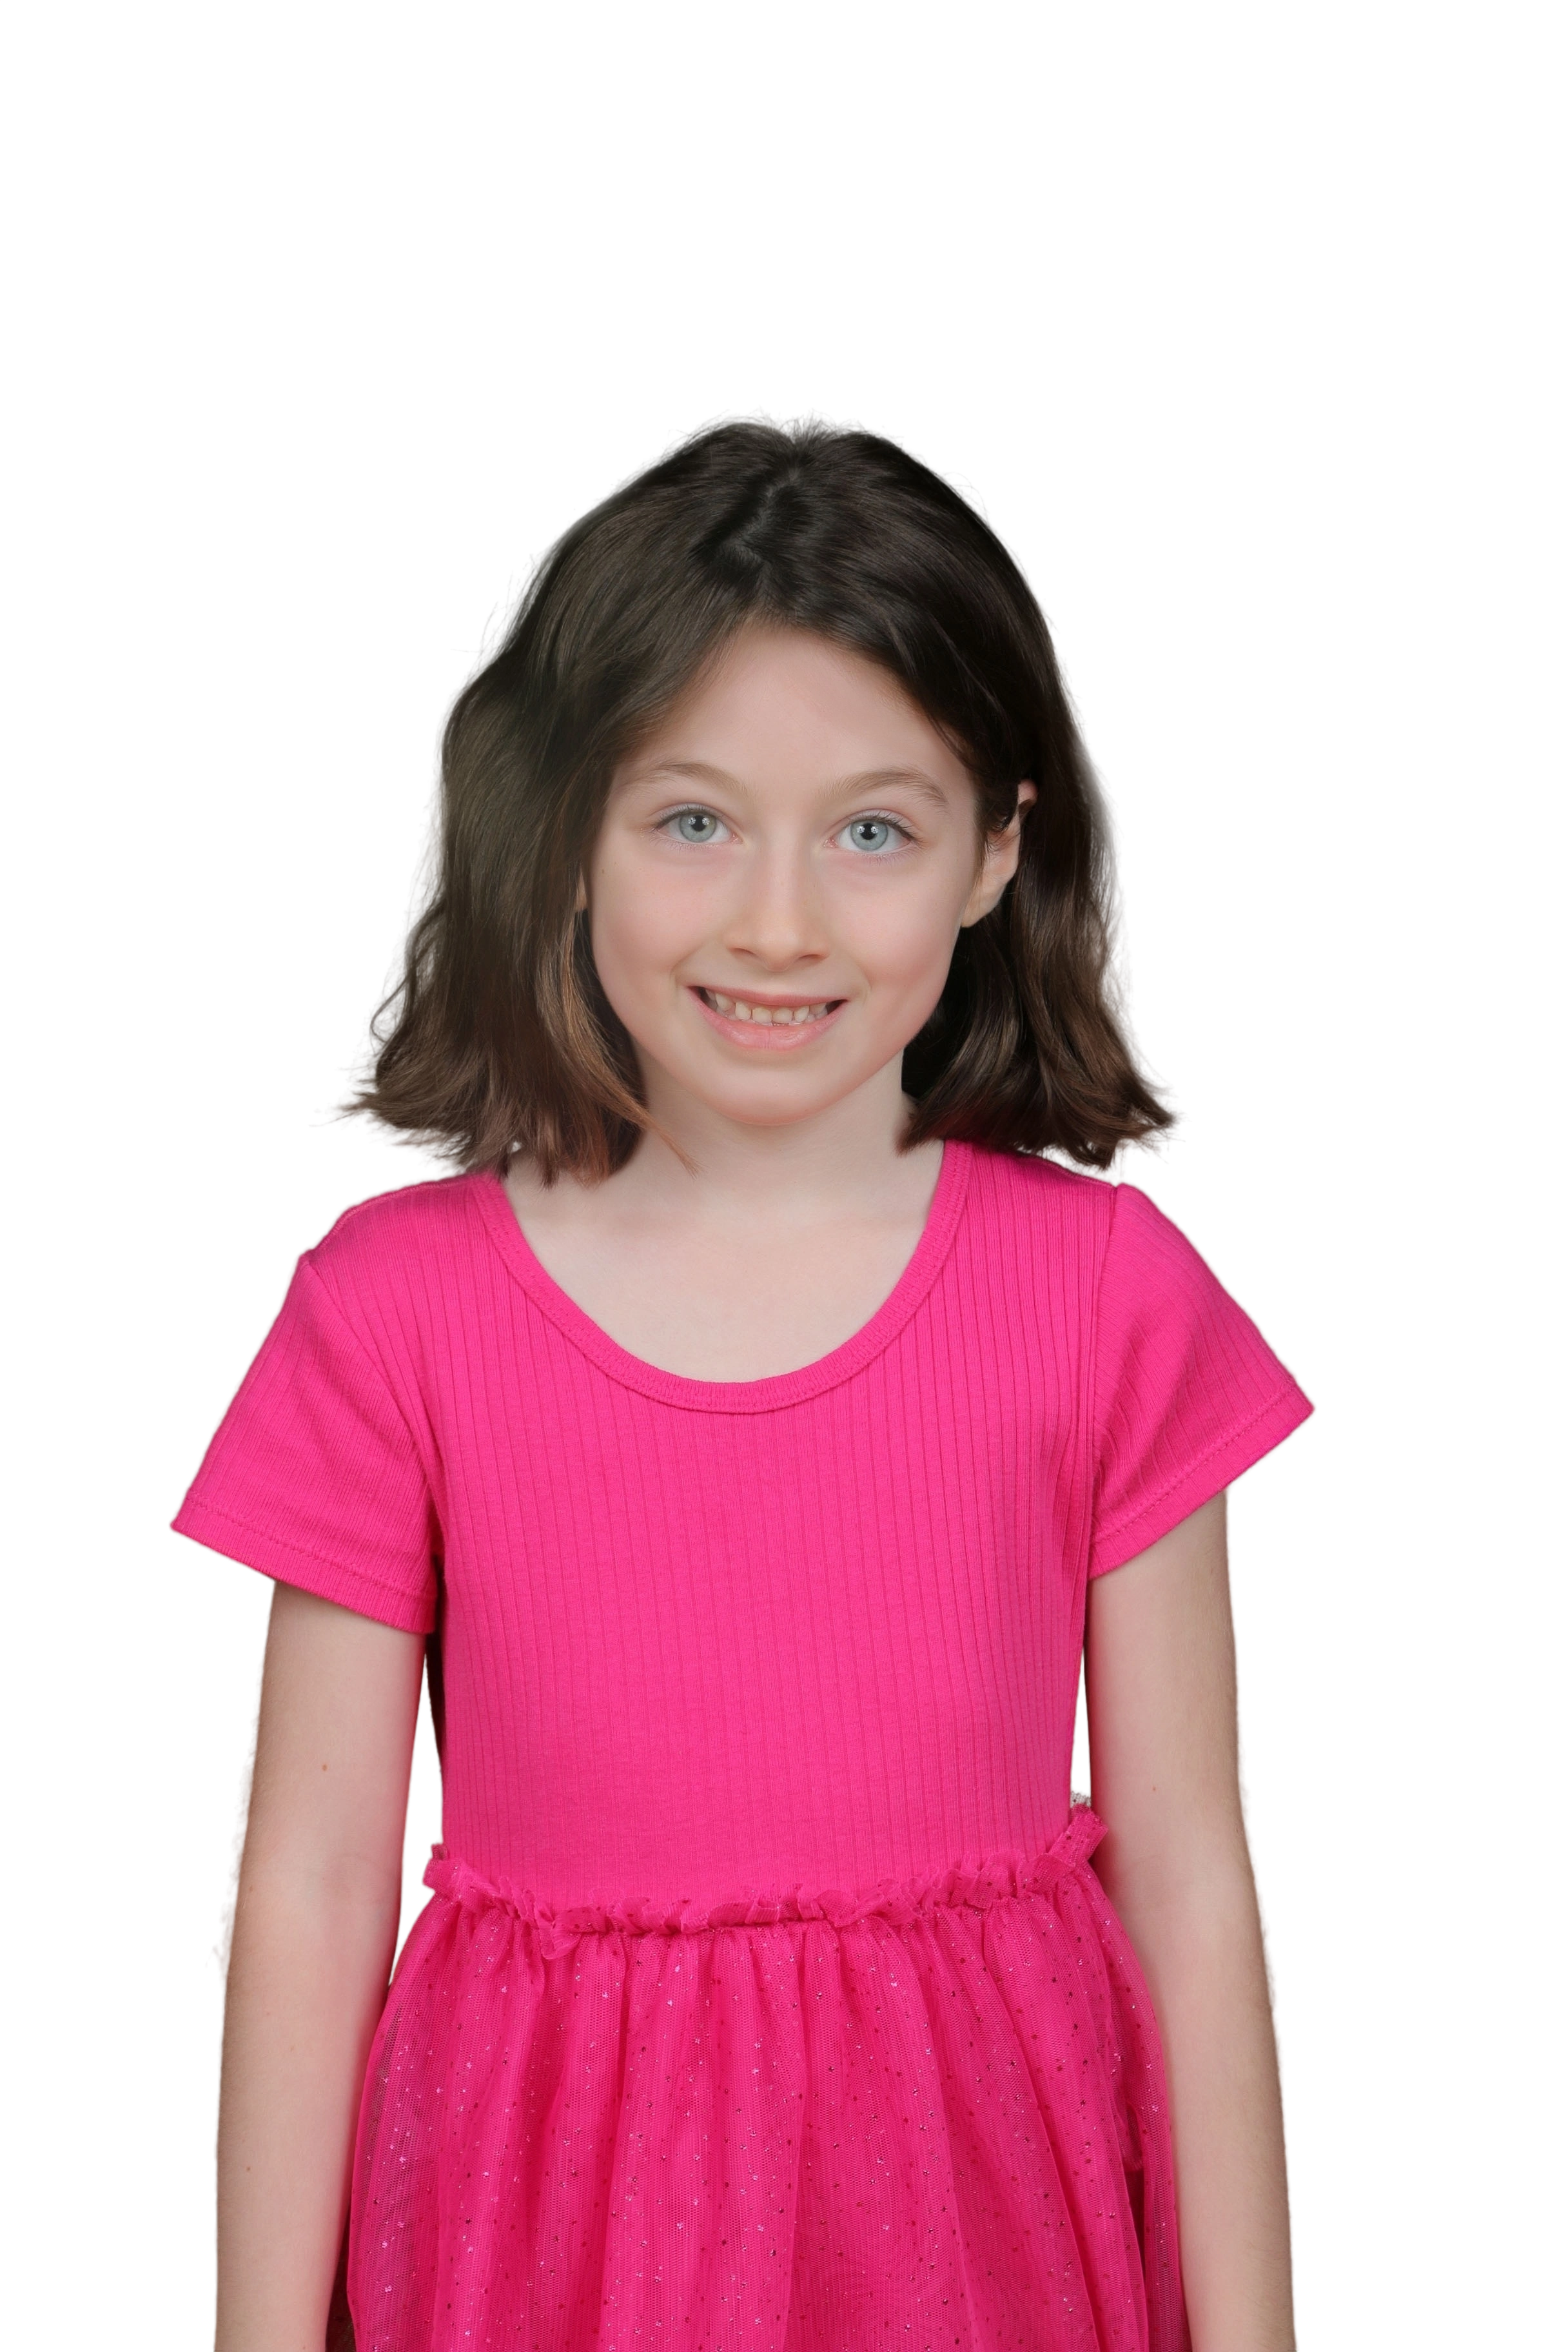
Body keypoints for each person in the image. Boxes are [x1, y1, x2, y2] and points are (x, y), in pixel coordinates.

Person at [167, 404, 1318, 2352]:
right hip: (541, 2237)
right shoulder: (392, 1312)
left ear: (994, 854)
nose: (778, 923)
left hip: (980, 2237)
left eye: (873, 830)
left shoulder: (1104, 1291)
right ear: (564, 830)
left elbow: (1196, 1879)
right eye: (693, 820)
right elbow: (314, 1886)